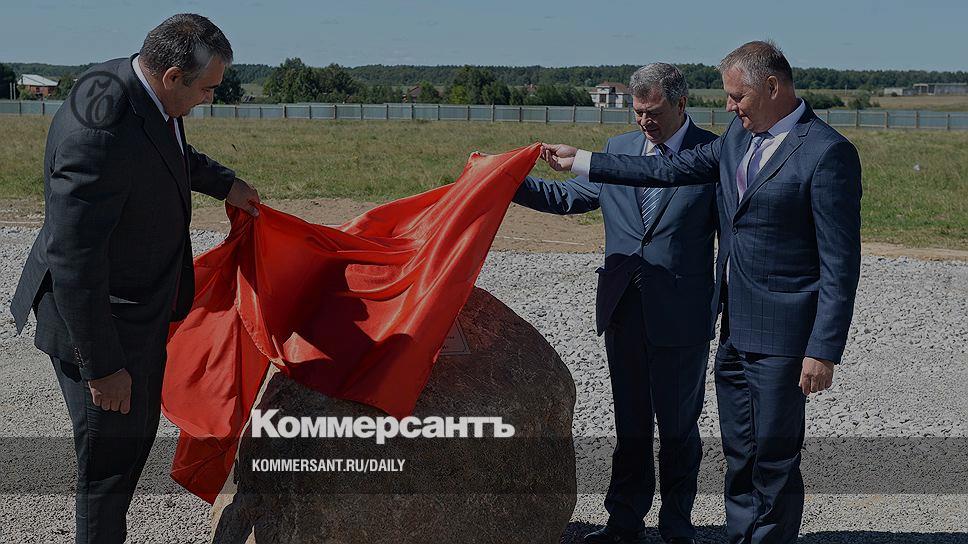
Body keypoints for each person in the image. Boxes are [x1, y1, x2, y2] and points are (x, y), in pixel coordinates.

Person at [541, 41, 862, 544]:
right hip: (730, 330)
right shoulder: (737, 139)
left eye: (737, 96)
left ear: (771, 87)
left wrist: (823, 349)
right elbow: (665, 169)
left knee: (772, 457)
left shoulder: (827, 152)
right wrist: (579, 160)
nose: (730, 107)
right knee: (740, 455)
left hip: (776, 333)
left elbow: (840, 263)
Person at [9, 13, 260, 544]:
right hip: (103, 324)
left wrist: (225, 183)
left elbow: (166, 152)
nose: (210, 99)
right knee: (108, 471)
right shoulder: (99, 132)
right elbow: (75, 258)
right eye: (207, 89)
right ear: (172, 75)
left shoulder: (139, 86)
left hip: (136, 310)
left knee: (131, 447)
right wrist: (103, 368)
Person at [515, 63, 716, 544]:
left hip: (681, 316)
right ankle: (624, 523)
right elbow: (566, 197)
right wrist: (505, 181)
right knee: (630, 424)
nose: (645, 121)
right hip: (624, 307)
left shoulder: (711, 154)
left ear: (681, 104)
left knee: (678, 429)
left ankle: (677, 527)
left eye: (654, 112)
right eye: (638, 112)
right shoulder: (618, 150)